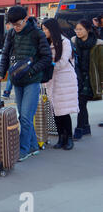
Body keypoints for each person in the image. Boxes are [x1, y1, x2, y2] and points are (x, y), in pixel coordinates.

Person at [0, 6, 52, 162]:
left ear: (26, 19)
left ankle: (23, 149)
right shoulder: (11, 34)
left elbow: (47, 58)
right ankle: (33, 145)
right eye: (13, 24)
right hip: (17, 80)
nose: (16, 27)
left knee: (26, 117)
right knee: (23, 117)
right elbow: (5, 55)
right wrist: (1, 74)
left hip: (32, 81)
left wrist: (31, 71)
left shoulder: (37, 34)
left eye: (18, 24)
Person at [41, 19, 78, 150]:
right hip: (52, 80)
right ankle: (61, 137)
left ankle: (69, 138)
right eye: (43, 29)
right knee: (56, 111)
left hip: (65, 80)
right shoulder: (45, 42)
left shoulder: (65, 42)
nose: (44, 31)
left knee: (64, 111)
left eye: (46, 29)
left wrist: (48, 64)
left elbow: (62, 63)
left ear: (53, 29)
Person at [71, 19, 103, 139]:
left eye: (80, 29)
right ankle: (86, 127)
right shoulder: (73, 41)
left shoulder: (98, 44)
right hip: (77, 76)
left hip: (90, 77)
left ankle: (79, 129)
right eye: (76, 29)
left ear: (88, 30)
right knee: (81, 103)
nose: (77, 32)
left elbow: (101, 64)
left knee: (81, 102)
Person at [2, 21, 13, 98]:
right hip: (9, 58)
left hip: (13, 58)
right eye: (6, 25)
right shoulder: (7, 34)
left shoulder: (13, 34)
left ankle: (7, 92)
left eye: (9, 24)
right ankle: (7, 92)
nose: (7, 26)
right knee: (10, 75)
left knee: (11, 75)